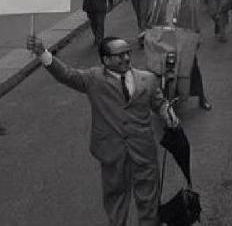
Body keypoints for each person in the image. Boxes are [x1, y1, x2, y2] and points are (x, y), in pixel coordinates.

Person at [26, 34, 179, 226]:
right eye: (119, 55)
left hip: (144, 150)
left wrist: (168, 113)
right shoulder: (93, 79)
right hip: (112, 153)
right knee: (116, 199)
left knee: (149, 199)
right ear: (105, 60)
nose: (125, 58)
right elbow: (66, 74)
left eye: (127, 53)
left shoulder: (147, 79)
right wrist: (42, 52)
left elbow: (158, 103)